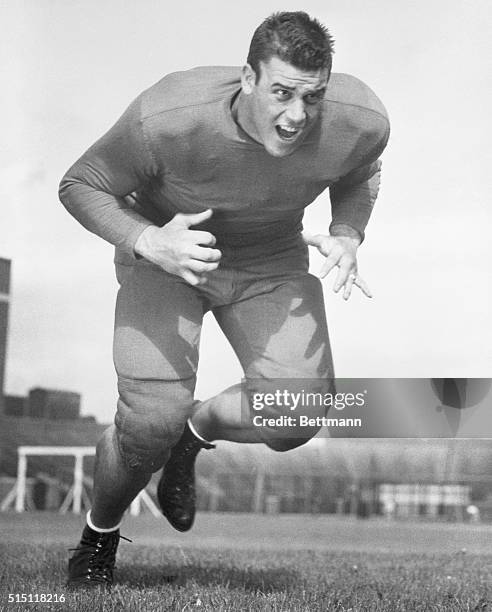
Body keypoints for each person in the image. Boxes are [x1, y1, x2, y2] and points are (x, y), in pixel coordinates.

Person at [59, 11, 389, 588]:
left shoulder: (358, 119)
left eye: (311, 98)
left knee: (297, 414)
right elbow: (79, 183)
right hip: (172, 252)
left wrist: (348, 231)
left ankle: (194, 437)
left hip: (269, 261)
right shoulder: (165, 117)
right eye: (282, 93)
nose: (296, 117)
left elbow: (360, 170)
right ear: (248, 77)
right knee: (147, 425)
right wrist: (147, 240)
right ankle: (99, 535)